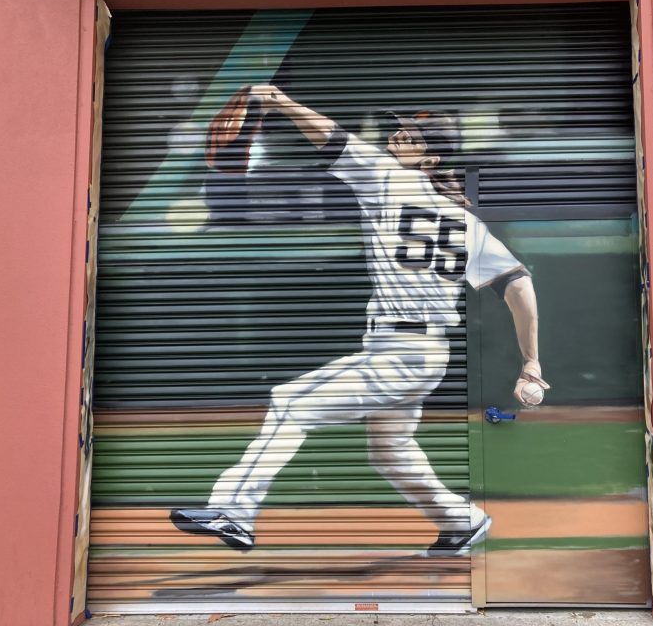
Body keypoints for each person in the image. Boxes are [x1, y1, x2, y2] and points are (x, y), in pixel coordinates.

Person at [171, 85, 550, 556]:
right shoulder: (470, 225)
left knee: (289, 402)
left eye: (413, 136)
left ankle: (234, 511)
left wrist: (281, 103)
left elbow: (329, 137)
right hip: (425, 354)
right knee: (390, 451)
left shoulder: (389, 178)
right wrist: (530, 362)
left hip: (399, 352)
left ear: (430, 160)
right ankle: (463, 521)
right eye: (402, 129)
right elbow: (519, 286)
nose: (399, 135)